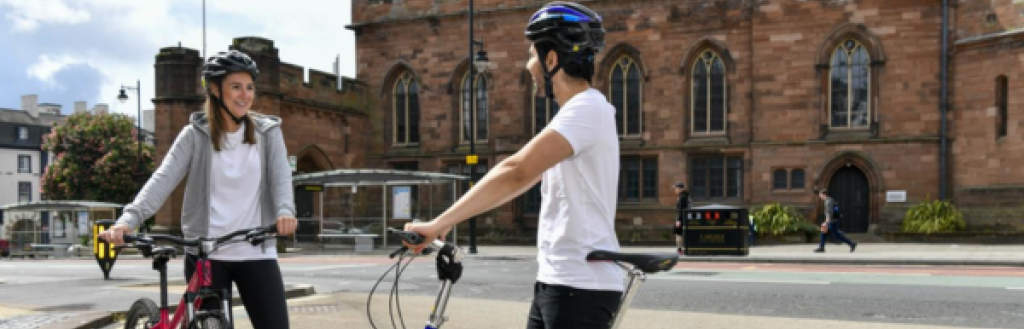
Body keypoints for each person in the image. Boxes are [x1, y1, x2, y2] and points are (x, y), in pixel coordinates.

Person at [404, 2, 622, 328]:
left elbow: (516, 171)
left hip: (581, 285)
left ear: (552, 59)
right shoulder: (574, 115)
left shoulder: (587, 109)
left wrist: (439, 224)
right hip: (559, 281)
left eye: (533, 54)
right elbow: (522, 178)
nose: (528, 65)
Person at [98, 50, 298, 329]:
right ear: (215, 90)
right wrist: (128, 220)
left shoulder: (268, 133)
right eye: (236, 87)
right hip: (207, 254)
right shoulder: (195, 135)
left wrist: (285, 211)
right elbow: (163, 178)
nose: (245, 95)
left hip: (256, 250)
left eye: (249, 87)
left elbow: (280, 179)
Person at [813, 189, 857, 253]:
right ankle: (851, 243)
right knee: (828, 233)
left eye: (820, 195)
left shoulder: (828, 202)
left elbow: (829, 213)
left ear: (824, 194)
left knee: (826, 232)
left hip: (832, 221)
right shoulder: (830, 200)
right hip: (834, 220)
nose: (820, 196)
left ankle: (851, 243)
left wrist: (826, 222)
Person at [672, 182, 690, 254]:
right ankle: (681, 249)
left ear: (680, 189)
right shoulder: (686, 196)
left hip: (682, 218)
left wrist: (679, 220)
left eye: (676, 188)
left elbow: (681, 210)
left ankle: (679, 249)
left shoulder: (682, 197)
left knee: (678, 233)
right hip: (684, 218)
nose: (675, 190)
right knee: (680, 233)